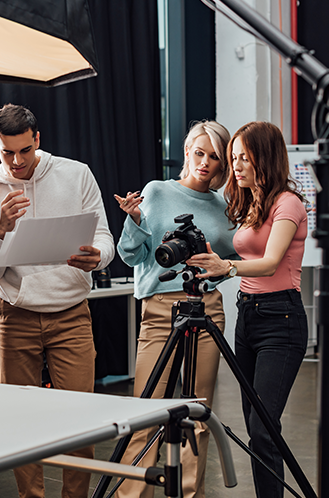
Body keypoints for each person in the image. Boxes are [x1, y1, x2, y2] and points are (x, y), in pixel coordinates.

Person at [0, 103, 115, 498]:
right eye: (7, 153)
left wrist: (98, 256)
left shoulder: (76, 173)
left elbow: (105, 237)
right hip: (14, 316)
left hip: (71, 313)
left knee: (81, 419)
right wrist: (1, 230)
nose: (17, 161)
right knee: (20, 422)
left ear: (38, 140)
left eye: (24, 150)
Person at [114, 120, 236, 498]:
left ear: (223, 164)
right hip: (159, 308)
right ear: (187, 152)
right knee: (146, 411)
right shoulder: (157, 191)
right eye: (199, 153)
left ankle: (189, 494)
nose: (204, 163)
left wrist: (216, 273)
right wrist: (134, 221)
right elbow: (130, 255)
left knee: (198, 412)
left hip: (206, 307)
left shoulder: (225, 206)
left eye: (214, 157)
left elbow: (231, 260)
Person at [187, 121, 308, 498]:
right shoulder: (249, 202)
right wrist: (211, 261)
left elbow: (271, 262)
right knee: (257, 425)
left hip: (281, 321)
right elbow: (238, 257)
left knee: (263, 427)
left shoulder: (287, 203)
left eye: (244, 157)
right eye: (234, 157)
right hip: (249, 317)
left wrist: (228, 267)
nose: (235, 166)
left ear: (265, 158)